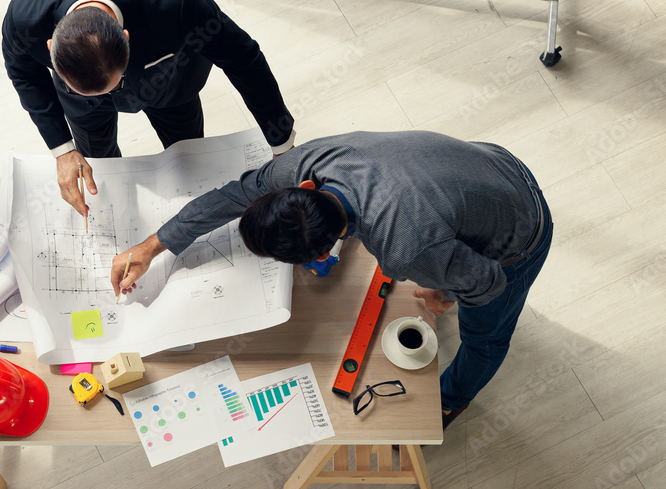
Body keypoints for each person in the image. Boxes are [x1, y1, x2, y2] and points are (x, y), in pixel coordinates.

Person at [109, 131, 552, 429]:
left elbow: (487, 282)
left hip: (521, 226)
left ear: (322, 255)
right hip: (485, 164)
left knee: (485, 339)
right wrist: (153, 246)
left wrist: (444, 293)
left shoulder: (406, 247)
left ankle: (453, 398)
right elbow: (233, 196)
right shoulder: (310, 163)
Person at [2, 0, 295, 217]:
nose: (111, 97)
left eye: (112, 85)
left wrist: (281, 143)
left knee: (188, 156)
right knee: (100, 167)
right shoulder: (23, 21)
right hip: (82, 109)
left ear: (126, 38)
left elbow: (243, 58)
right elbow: (24, 76)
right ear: (51, 47)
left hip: (170, 85)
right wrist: (63, 150)